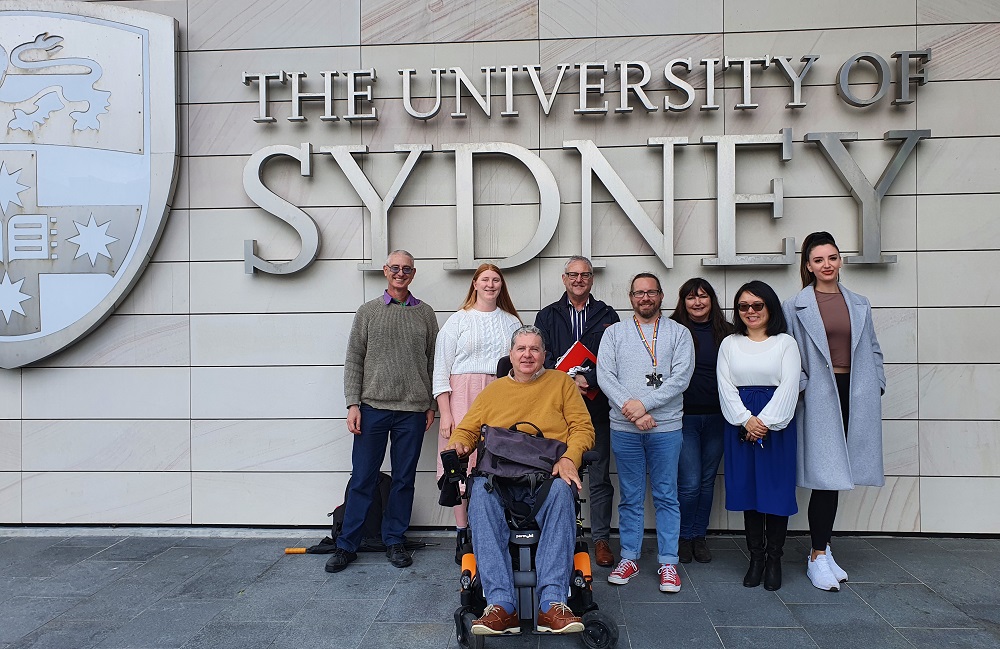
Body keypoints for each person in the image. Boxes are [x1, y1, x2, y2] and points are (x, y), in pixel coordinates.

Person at [446, 325, 595, 636]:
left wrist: (570, 457)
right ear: (511, 355)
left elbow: (583, 428)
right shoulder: (493, 391)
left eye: (534, 349)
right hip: (500, 480)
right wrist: (459, 444)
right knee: (481, 494)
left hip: (547, 475)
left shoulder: (561, 384)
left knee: (560, 491)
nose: (528, 354)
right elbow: (468, 430)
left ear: (544, 355)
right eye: (521, 349)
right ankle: (501, 606)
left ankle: (552, 604)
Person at [782, 231, 886, 591]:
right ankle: (816, 556)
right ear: (808, 266)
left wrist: (878, 383)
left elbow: (873, 348)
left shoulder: (859, 302)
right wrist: (802, 387)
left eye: (832, 257)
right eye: (818, 260)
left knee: (838, 477)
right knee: (826, 478)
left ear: (840, 260)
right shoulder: (794, 306)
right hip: (818, 397)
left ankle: (823, 550)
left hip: (854, 393)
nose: (827, 265)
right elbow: (788, 355)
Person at [326, 250, 438, 574]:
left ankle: (394, 540)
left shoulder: (426, 314)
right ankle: (347, 544)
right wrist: (352, 405)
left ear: (413, 274)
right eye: (395, 268)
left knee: (404, 479)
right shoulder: (368, 312)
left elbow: (434, 363)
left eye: (406, 269)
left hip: (413, 412)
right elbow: (354, 360)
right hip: (372, 408)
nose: (400, 273)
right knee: (363, 477)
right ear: (386, 271)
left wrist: (430, 405)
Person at [597, 273, 694, 594]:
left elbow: (681, 378)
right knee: (631, 496)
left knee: (667, 495)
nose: (645, 298)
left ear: (662, 296)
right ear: (630, 297)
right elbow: (605, 375)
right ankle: (629, 557)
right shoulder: (614, 333)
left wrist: (644, 406)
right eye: (639, 293)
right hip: (625, 429)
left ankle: (668, 562)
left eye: (651, 292)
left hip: (666, 427)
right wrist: (631, 408)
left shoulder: (679, 333)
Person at [534, 256, 620, 567]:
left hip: (596, 410)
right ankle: (559, 537)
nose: (579, 279)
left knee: (598, 478)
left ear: (592, 279)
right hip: (556, 411)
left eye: (584, 275)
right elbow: (542, 359)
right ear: (564, 278)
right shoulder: (547, 315)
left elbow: (615, 358)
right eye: (573, 274)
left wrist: (590, 378)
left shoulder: (608, 316)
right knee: (556, 477)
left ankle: (600, 540)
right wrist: (571, 380)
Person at [434, 263, 521, 563]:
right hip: (461, 396)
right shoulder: (457, 321)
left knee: (497, 461)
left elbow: (521, 366)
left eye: (496, 280)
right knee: (460, 464)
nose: (490, 284)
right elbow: (440, 370)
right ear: (474, 283)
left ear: (501, 285)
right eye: (485, 279)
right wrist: (445, 413)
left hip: (499, 396)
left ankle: (497, 528)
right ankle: (463, 533)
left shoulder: (511, 323)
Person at [717, 280, 800, 591]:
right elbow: (724, 385)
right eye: (743, 306)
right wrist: (745, 421)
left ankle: (775, 559)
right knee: (749, 492)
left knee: (775, 492)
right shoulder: (730, 343)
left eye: (757, 305)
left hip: (776, 426)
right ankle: (756, 558)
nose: (750, 311)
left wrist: (764, 422)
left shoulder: (785, 343)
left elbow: (790, 385)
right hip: (740, 425)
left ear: (769, 307)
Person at [669, 278, 732, 564]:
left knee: (707, 481)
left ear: (712, 300)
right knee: (690, 482)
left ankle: (699, 536)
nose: (697, 302)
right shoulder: (672, 331)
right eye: (691, 298)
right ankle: (682, 537)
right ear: (683, 302)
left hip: (719, 417)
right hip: (685, 418)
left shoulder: (728, 334)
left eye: (703, 297)